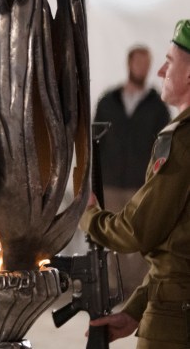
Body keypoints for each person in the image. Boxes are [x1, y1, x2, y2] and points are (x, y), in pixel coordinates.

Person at [80, 19, 190, 348]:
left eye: (169, 62)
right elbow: (179, 247)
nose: (160, 72)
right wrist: (135, 311)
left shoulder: (182, 140)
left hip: (174, 319)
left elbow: (137, 231)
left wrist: (88, 214)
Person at [93, 44, 171, 296]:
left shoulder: (157, 106)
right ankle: (113, 289)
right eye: (139, 63)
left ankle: (135, 292)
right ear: (129, 64)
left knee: (138, 239)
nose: (143, 68)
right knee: (111, 236)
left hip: (141, 183)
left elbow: (164, 145)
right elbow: (95, 142)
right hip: (111, 182)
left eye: (146, 64)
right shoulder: (108, 101)